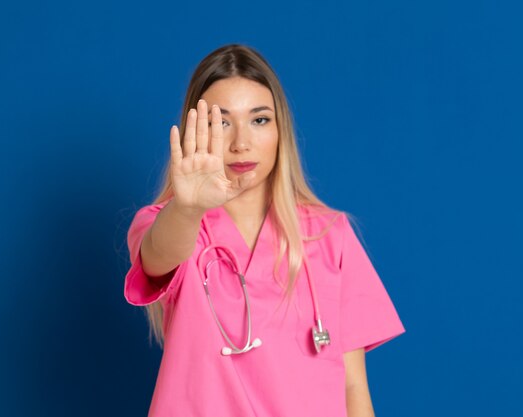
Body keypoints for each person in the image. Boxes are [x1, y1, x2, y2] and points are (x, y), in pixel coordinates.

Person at [124, 44, 405, 417]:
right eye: (221, 122)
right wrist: (188, 207)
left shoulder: (329, 234)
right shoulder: (172, 222)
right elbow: (158, 257)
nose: (241, 143)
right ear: (197, 132)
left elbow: (353, 387)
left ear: (280, 130)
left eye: (259, 120)